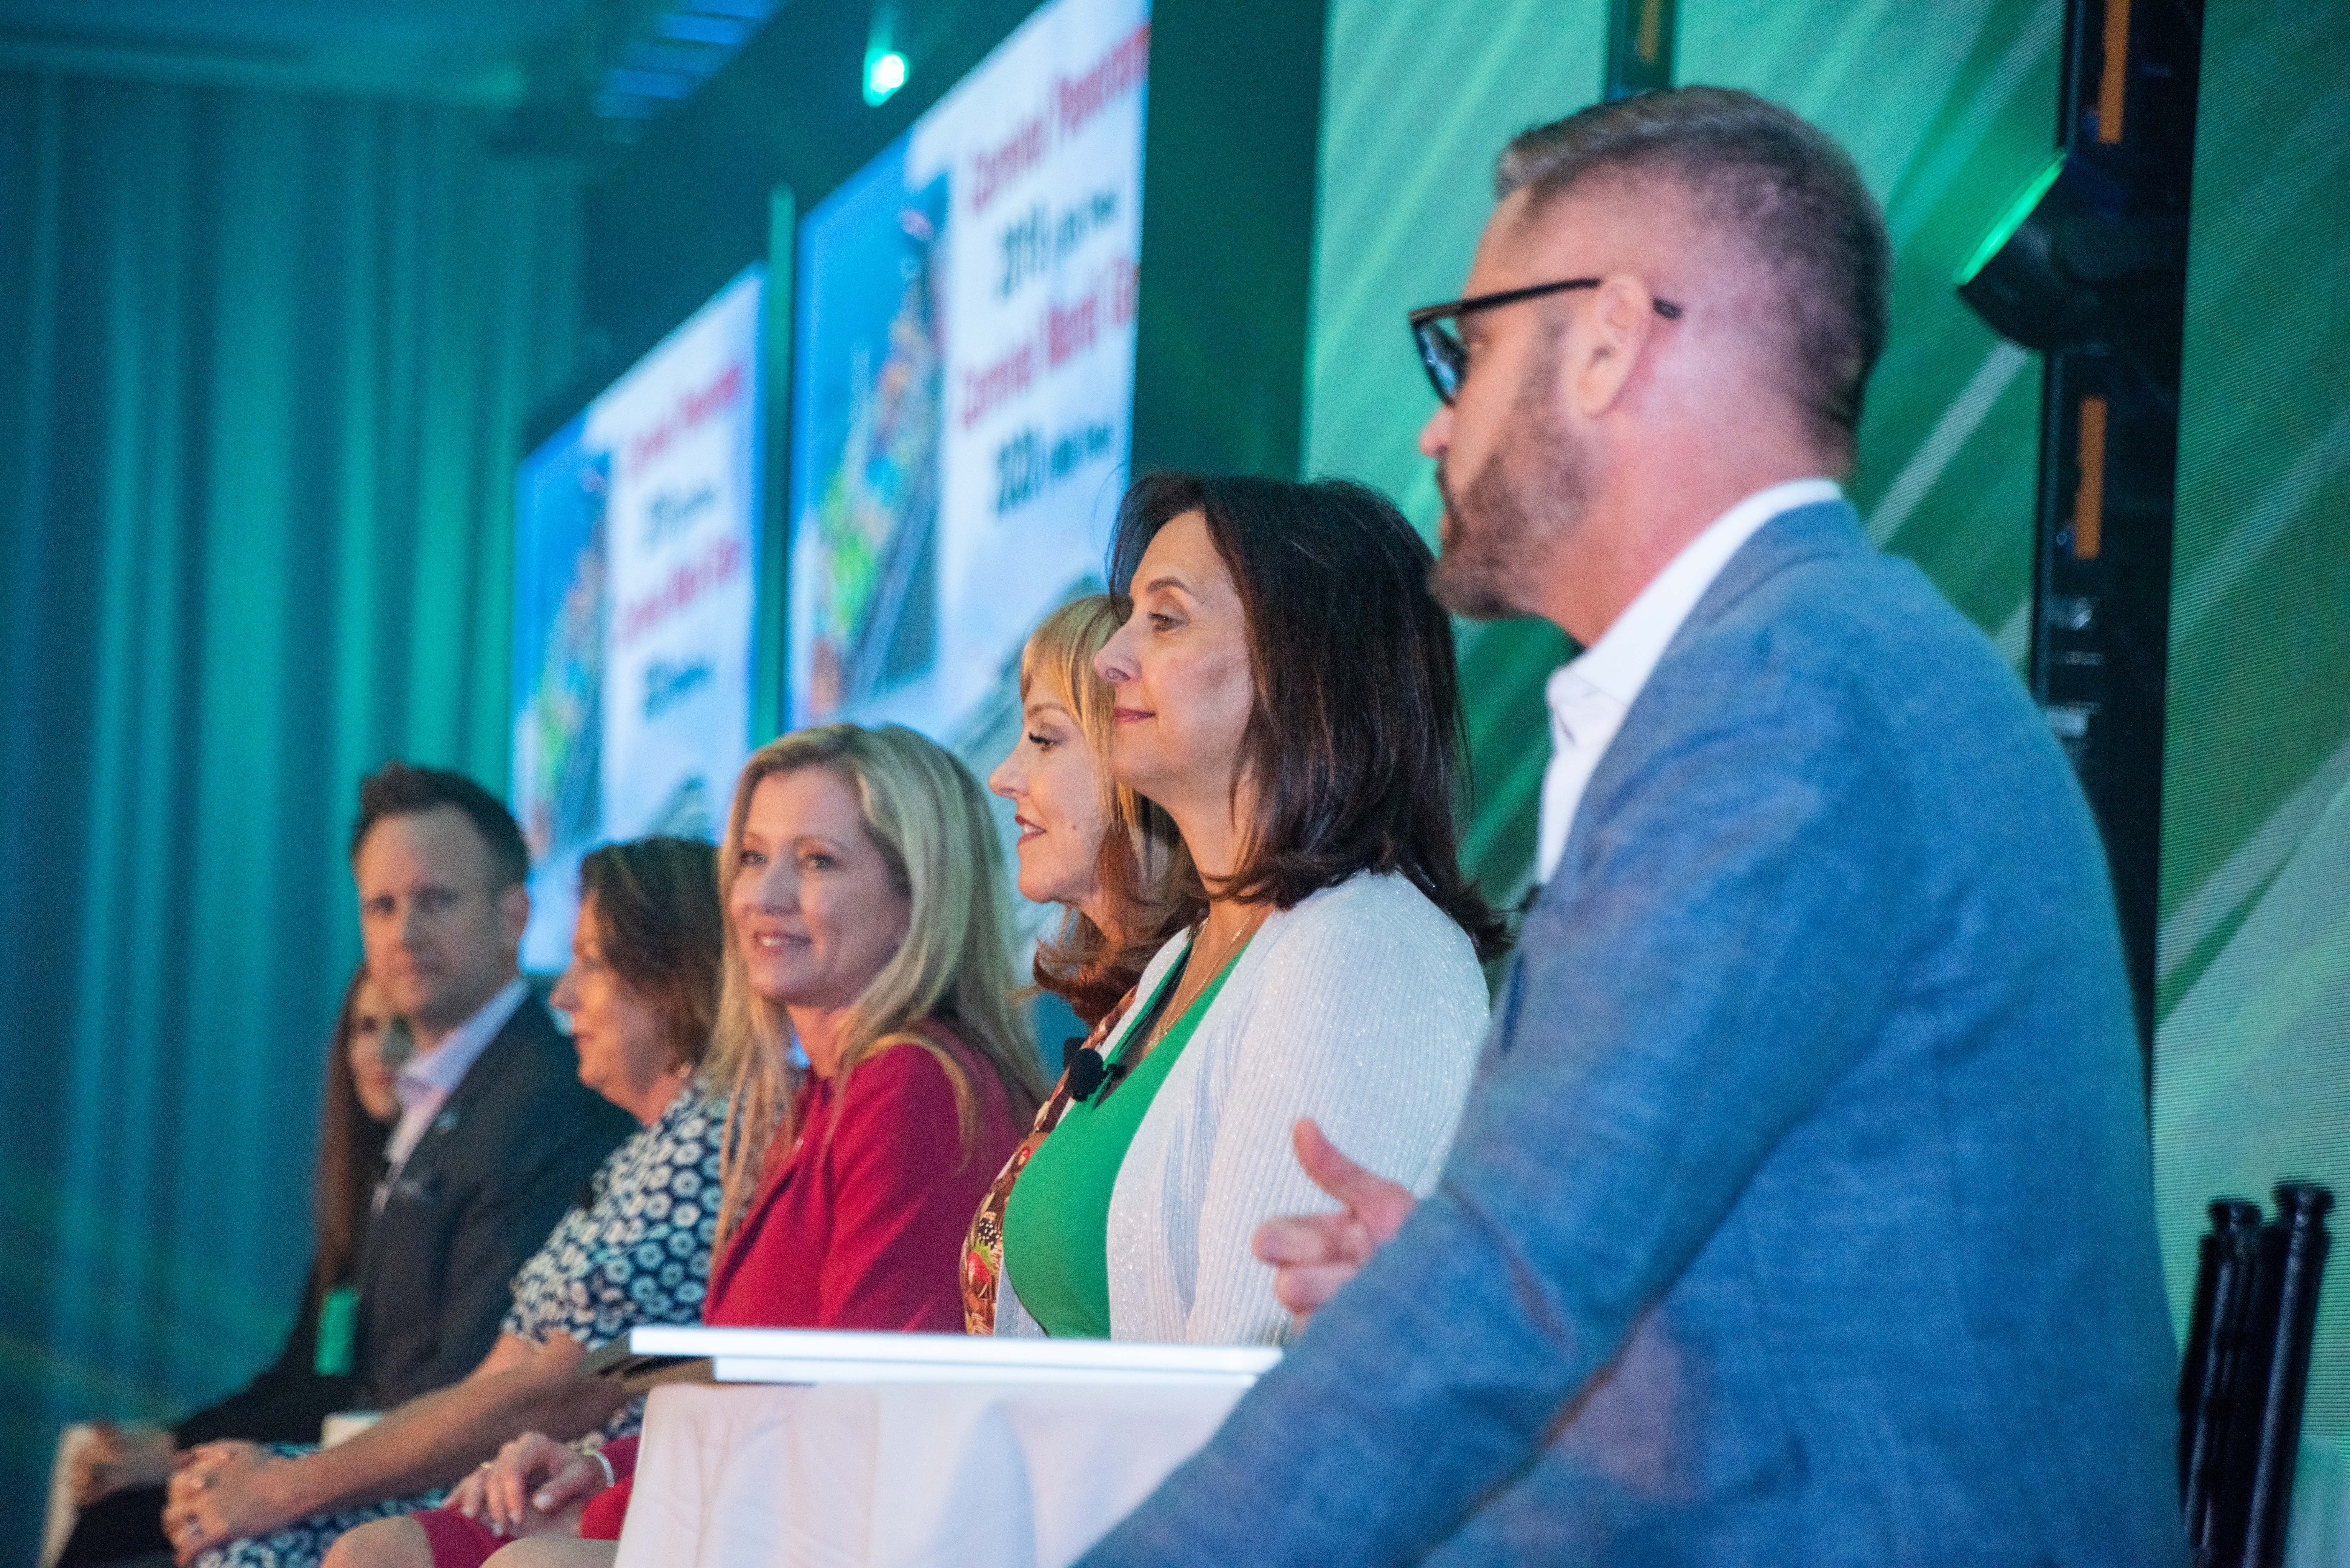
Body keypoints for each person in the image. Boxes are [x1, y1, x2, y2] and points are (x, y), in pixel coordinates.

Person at [1076, 87, 2181, 1567]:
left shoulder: (1778, 703)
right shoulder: (1801, 666)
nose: (1434, 418)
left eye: (1461, 354)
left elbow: (1514, 1296)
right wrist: (1464, 1272)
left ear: (1602, 341)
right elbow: (1770, 1257)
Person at [417, 723, 1041, 1561]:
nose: (764, 896)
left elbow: (858, 1415)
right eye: (752, 857)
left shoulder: (911, 1085)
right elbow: (765, 1399)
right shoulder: (824, 1094)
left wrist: (605, 1520)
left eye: (818, 861)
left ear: (915, 897)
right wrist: (601, 1471)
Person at [991, 472, 1506, 1347]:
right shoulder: (1181, 960)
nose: (1113, 656)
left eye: (1165, 618)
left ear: (1300, 664)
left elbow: (1247, 1382)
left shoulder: (1364, 951)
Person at [165, 833, 716, 1566]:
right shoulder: (638, 1153)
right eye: (382, 905)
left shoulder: (713, 1141)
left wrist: (293, 1484)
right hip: (523, 1475)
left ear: (673, 977)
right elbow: (503, 1370)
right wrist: (272, 1474)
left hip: (595, 1491)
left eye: (591, 962)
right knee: (222, 1514)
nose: (562, 994)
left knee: (264, 1539)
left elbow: (560, 1391)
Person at [57, 967, 402, 1568]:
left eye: (406, 1028)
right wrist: (172, 1443)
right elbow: (300, 1379)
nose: (385, 1051)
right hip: (304, 1451)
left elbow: (342, 1395)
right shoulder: (362, 1199)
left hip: (362, 1470)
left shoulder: (431, 1196)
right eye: (366, 1027)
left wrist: (176, 1451)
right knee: (113, 1514)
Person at [965, 593, 1191, 1333]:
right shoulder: (1120, 1020)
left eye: (1043, 737)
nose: (1004, 774)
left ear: (1134, 751)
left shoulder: (1208, 1001)